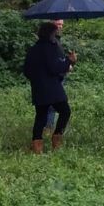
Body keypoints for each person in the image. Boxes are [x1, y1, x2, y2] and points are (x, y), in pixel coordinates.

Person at [23, 21, 77, 154]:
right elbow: (56, 68)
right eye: (55, 32)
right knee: (65, 111)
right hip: (53, 88)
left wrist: (36, 79)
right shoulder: (51, 47)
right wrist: (70, 61)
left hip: (38, 88)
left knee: (40, 115)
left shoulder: (33, 49)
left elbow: (26, 70)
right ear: (51, 33)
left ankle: (37, 146)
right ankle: (57, 138)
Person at [43, 19, 68, 133]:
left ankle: (49, 127)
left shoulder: (56, 40)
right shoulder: (49, 42)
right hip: (54, 78)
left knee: (52, 104)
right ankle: (49, 128)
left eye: (62, 25)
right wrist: (66, 66)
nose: (60, 27)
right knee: (53, 105)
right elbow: (53, 64)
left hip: (59, 76)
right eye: (58, 24)